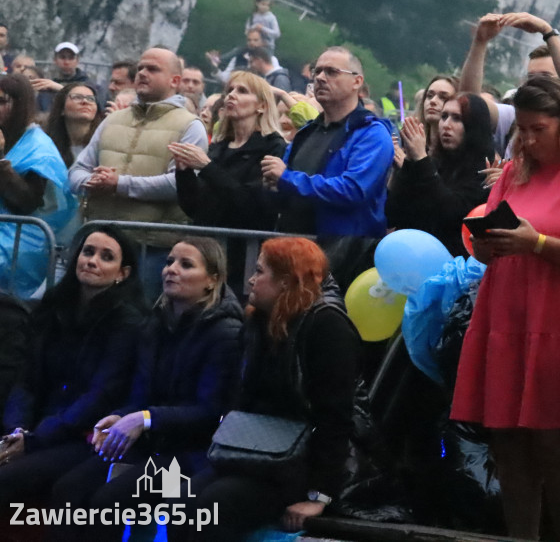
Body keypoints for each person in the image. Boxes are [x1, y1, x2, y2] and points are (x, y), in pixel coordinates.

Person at [451, 77, 560, 541]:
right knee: (508, 443)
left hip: (559, 317)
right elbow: (490, 237)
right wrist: (487, 244)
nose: (529, 139)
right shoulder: (514, 171)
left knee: (555, 444)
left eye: (539, 128)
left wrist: (535, 242)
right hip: (505, 313)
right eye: (522, 129)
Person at [51, 238, 244, 542]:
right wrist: (118, 417)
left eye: (186, 264)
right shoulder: (155, 323)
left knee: (108, 503)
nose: (171, 270)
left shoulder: (226, 332)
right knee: (69, 489)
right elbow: (140, 396)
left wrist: (144, 418)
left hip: (194, 453)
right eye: (169, 262)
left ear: (212, 281)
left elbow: (211, 411)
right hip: (153, 441)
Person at [186, 237, 359, 541]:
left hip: (299, 464)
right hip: (251, 454)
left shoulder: (326, 325)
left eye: (259, 271)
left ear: (285, 282)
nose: (250, 279)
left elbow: (336, 418)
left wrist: (319, 496)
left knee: (213, 508)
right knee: (182, 501)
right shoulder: (257, 322)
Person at [0, 227, 146, 506]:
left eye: (106, 257)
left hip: (85, 436)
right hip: (37, 428)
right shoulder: (54, 307)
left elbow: (100, 395)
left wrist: (33, 441)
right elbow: (26, 380)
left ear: (122, 274)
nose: (92, 260)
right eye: (88, 252)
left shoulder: (128, 323)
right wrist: (17, 429)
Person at [68, 47, 208, 297]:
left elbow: (181, 184)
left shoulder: (190, 126)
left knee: (139, 320)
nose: (142, 73)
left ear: (175, 81)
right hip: (100, 240)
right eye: (140, 68)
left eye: (152, 69)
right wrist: (92, 181)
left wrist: (119, 184)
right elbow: (77, 170)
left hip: (151, 247)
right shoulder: (112, 120)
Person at [261, 46, 394, 239]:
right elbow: (286, 191)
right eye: (317, 71)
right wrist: (273, 186)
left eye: (332, 72)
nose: (320, 78)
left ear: (357, 82)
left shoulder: (372, 134)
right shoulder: (306, 132)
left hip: (343, 254)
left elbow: (353, 190)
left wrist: (286, 179)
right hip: (291, 247)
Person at [460, 12, 560, 156]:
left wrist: (547, 31)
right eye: (531, 77)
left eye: (546, 76)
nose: (536, 83)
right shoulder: (514, 117)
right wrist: (480, 41)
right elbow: (470, 102)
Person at [172, 71, 286, 231]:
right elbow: (194, 208)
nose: (231, 95)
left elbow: (251, 206)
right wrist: (184, 173)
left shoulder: (272, 146)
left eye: (242, 91)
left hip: (244, 246)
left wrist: (207, 167)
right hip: (206, 244)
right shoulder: (219, 146)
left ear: (262, 106)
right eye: (230, 90)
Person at [387, 92, 494, 257]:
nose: (446, 125)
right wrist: (409, 161)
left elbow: (449, 213)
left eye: (457, 118)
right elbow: (394, 213)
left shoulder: (486, 170)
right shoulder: (435, 163)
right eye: (444, 117)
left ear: (474, 125)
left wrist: (421, 159)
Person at [0, 74, 78, 297]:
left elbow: (27, 203)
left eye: (2, 102)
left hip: (20, 242)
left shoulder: (38, 148)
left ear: (20, 104)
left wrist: (1, 162)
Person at [44, 83, 102, 167]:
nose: (85, 101)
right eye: (77, 97)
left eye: (91, 99)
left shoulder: (103, 142)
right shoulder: (48, 146)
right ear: (62, 109)